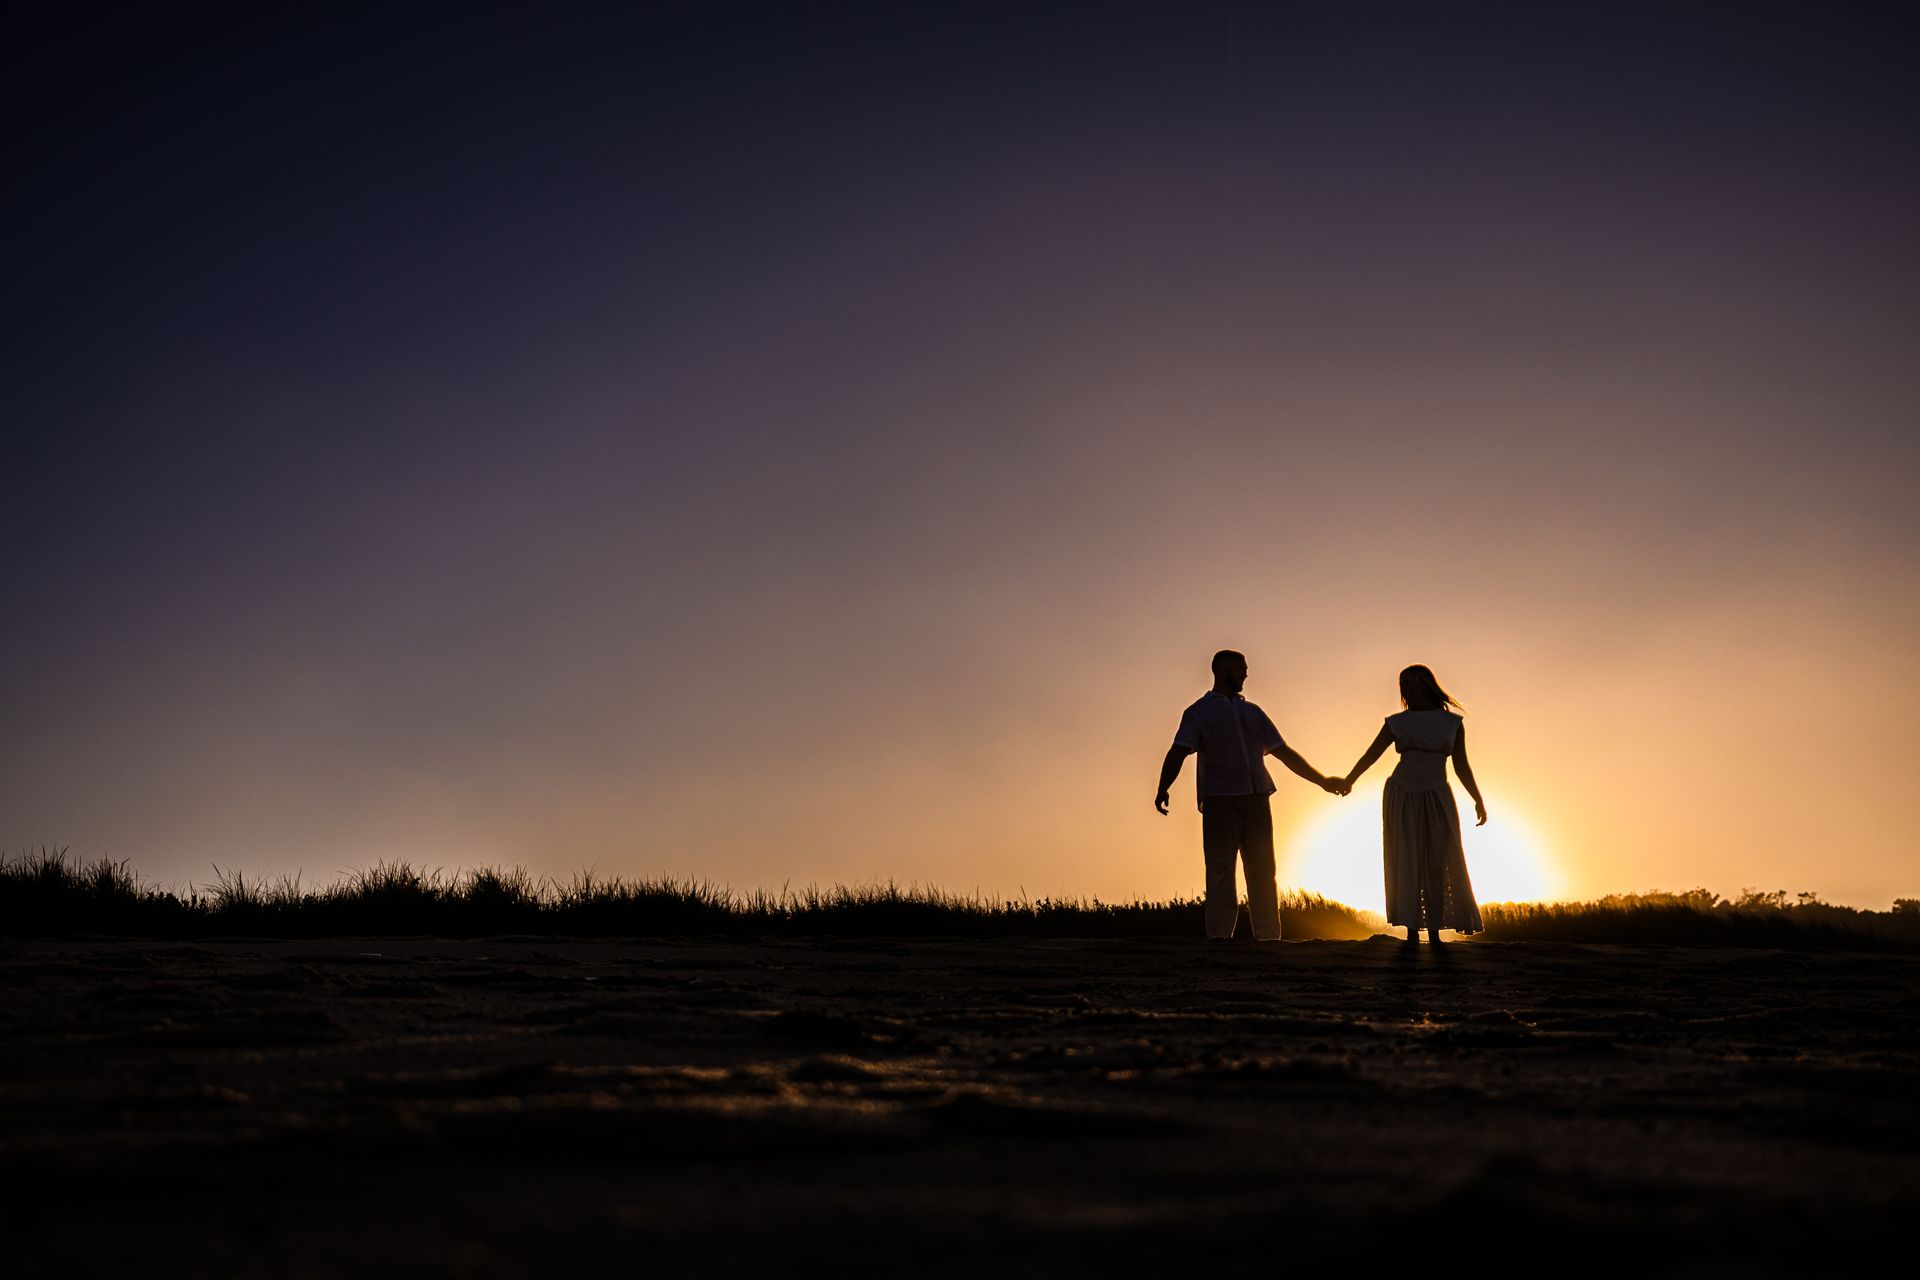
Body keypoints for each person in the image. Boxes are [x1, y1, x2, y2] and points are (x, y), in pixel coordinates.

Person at [1155, 650, 1346, 940]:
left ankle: (1269, 937)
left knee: (1263, 869)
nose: (1246, 673)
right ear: (1222, 670)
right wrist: (1163, 787)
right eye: (1240, 668)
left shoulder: (1253, 712)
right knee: (1220, 868)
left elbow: (1283, 752)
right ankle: (1218, 937)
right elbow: (1178, 750)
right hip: (1220, 798)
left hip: (1257, 797)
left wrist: (1321, 781)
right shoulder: (1198, 712)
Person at [1337, 664, 1485, 943]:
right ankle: (1412, 931)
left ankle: (1435, 932)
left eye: (1412, 683)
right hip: (1402, 793)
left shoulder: (1452, 724)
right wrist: (1350, 779)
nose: (1406, 689)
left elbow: (1461, 765)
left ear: (1426, 685)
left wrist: (1477, 799)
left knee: (1438, 858)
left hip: (1437, 794)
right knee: (1407, 858)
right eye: (1403, 685)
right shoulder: (1396, 722)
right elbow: (1372, 754)